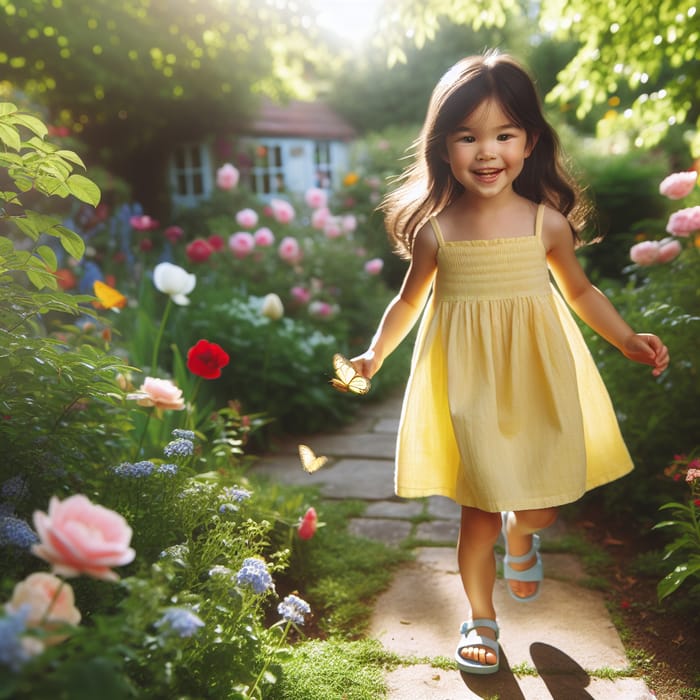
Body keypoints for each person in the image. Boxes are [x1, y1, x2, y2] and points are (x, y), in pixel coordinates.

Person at [349, 51, 669, 675]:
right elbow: (408, 299)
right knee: (478, 509)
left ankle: (525, 535)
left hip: (536, 382)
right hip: (467, 387)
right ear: (444, 148)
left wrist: (626, 338)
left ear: (530, 143)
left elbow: (579, 292)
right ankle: (480, 619)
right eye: (468, 136)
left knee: (538, 504)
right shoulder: (436, 232)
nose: (486, 151)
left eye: (503, 134)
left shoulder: (545, 224)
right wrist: (373, 353)